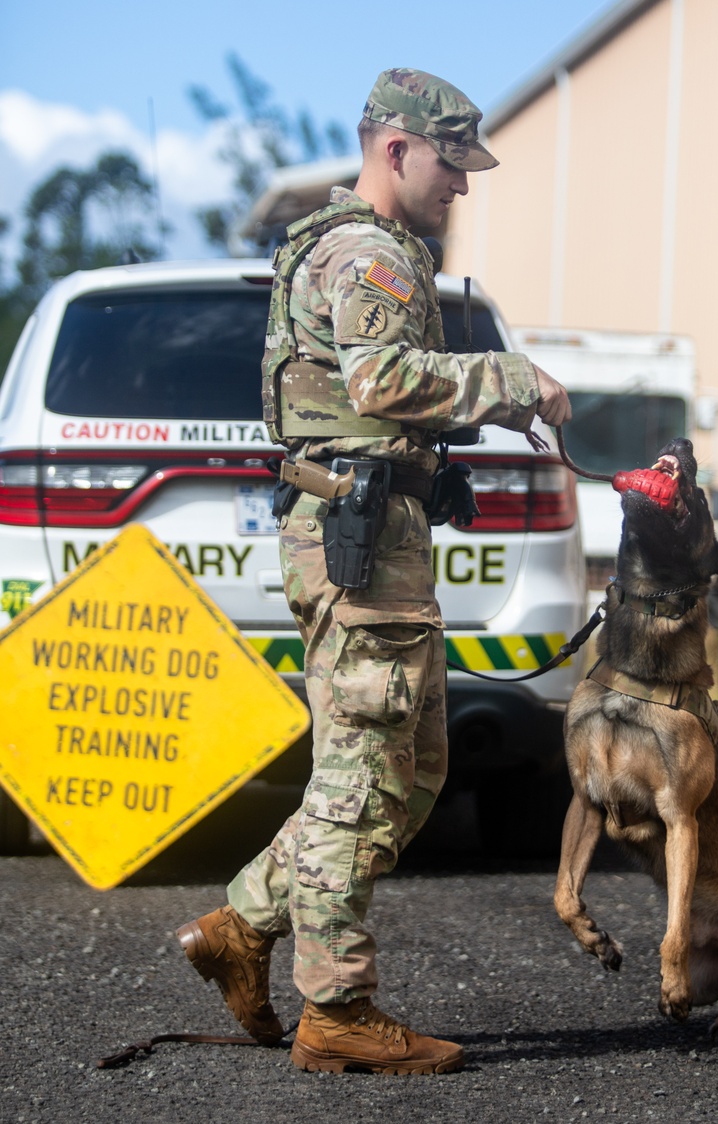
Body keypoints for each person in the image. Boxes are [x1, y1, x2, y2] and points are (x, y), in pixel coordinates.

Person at [176, 67, 571, 1077]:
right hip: (356, 542)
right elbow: (380, 379)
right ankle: (338, 1008)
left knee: (407, 768)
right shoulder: (368, 253)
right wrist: (509, 379)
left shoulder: (360, 245)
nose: (463, 186)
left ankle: (242, 924)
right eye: (451, 163)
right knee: (363, 772)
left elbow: (373, 399)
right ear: (395, 149)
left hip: (373, 529)